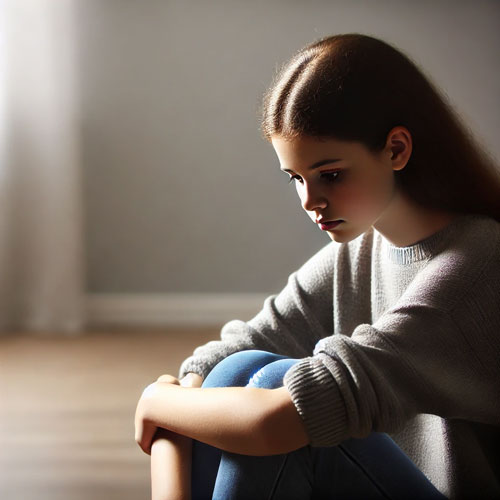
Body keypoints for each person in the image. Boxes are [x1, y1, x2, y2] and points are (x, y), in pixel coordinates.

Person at [135, 34, 500, 499]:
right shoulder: (359, 253)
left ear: (396, 149)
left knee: (274, 391)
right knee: (239, 369)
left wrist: (158, 403)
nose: (310, 202)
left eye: (330, 175)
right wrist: (173, 402)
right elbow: (224, 360)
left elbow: (278, 422)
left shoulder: (476, 268)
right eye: (296, 178)